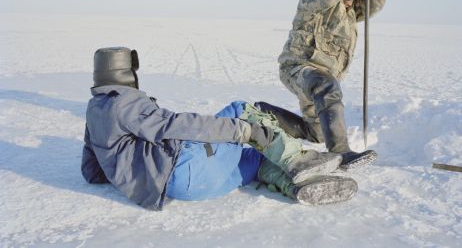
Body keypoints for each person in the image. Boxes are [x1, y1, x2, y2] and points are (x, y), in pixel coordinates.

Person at [81, 47, 358, 210]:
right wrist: (245, 131)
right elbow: (171, 125)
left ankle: (296, 187)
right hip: (184, 166)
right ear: (125, 72)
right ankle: (297, 160)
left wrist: (132, 176)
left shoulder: (95, 110)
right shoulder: (124, 102)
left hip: (189, 188)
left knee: (254, 157)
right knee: (239, 110)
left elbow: (92, 172)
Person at [276, 0, 387, 169]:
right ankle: (341, 153)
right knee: (327, 87)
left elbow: (373, 5)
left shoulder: (346, 12)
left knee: (316, 132)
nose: (348, 3)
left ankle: (263, 113)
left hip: (320, 75)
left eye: (351, 0)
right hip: (299, 67)